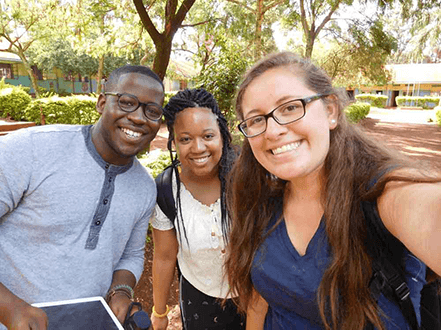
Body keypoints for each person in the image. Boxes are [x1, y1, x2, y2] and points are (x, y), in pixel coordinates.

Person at [224, 51, 441, 330]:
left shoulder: (385, 194)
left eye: (290, 107)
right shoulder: (260, 200)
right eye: (256, 120)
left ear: (330, 110)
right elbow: (259, 303)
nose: (272, 131)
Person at [0, 65, 164, 329]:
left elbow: (131, 255)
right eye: (126, 102)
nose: (138, 117)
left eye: (152, 111)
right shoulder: (30, 150)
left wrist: (121, 291)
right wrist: (8, 308)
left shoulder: (145, 187)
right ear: (101, 102)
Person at [150, 88, 244, 330]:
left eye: (208, 136)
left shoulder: (246, 178)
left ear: (222, 135)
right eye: (185, 139)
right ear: (173, 141)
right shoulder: (165, 191)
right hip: (198, 301)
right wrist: (159, 313)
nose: (198, 147)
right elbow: (164, 256)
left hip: (256, 297)